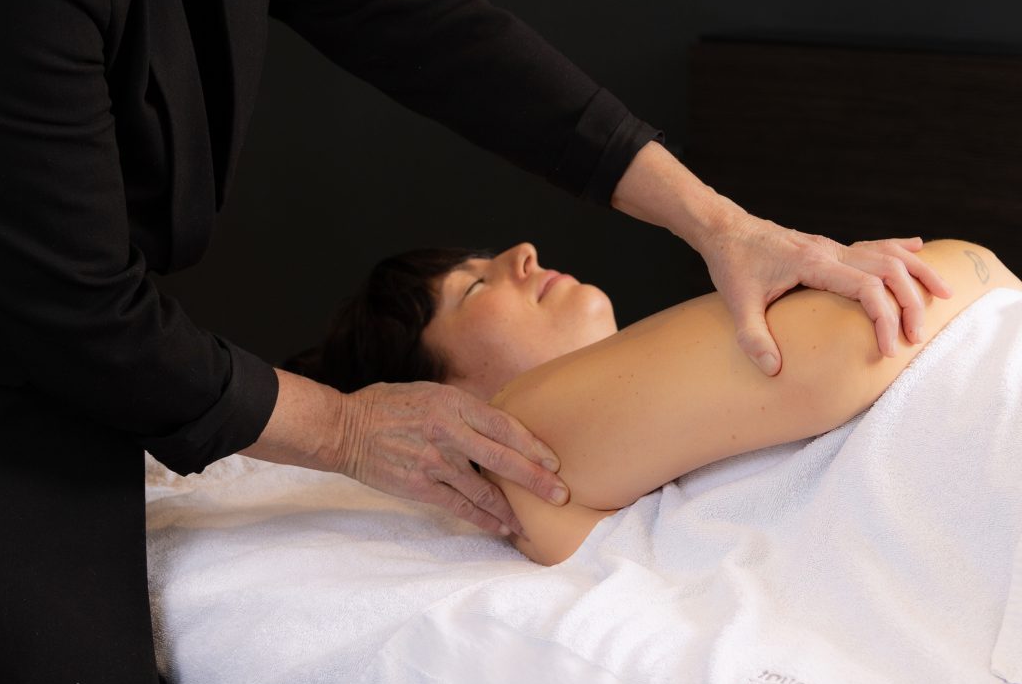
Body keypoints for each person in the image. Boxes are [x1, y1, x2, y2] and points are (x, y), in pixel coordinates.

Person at [0, 0, 951, 684]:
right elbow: (79, 309)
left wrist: (722, 225)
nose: (524, 255)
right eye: (471, 289)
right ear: (450, 393)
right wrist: (347, 428)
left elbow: (424, 24)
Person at [285, 237, 1021, 565]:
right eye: (474, 287)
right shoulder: (526, 430)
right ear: (434, 401)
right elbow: (885, 320)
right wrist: (964, 263)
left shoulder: (654, 408)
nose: (522, 254)